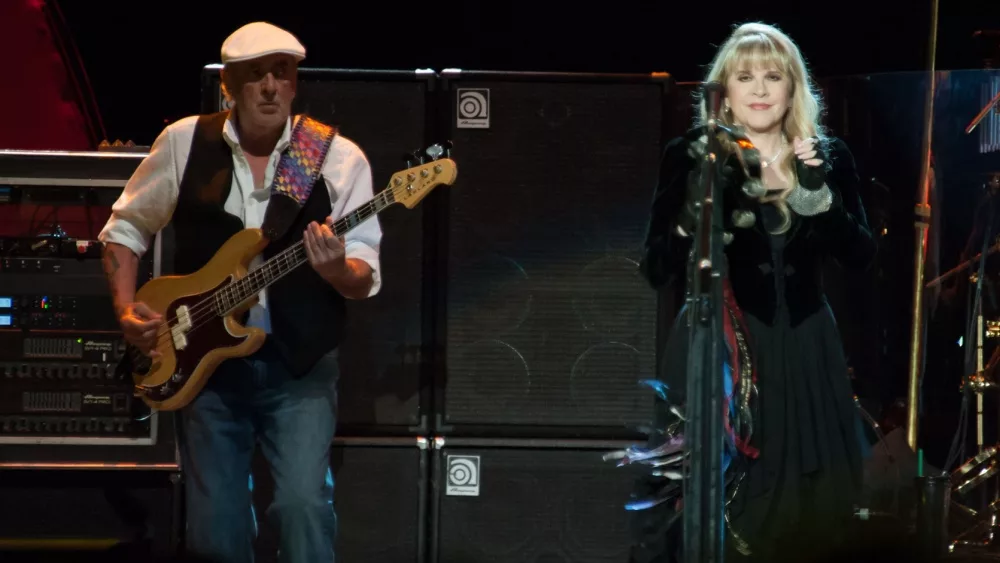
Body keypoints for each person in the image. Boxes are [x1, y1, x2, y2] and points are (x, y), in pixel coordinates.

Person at [98, 22, 382, 563]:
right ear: (228, 84)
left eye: (283, 73)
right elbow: (124, 231)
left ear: (296, 82)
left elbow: (365, 272)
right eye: (256, 75)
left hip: (300, 362)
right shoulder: (183, 142)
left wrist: (335, 271)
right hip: (206, 367)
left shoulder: (337, 157)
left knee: (302, 508)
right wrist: (125, 310)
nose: (272, 86)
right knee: (214, 532)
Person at [624, 22, 875, 563]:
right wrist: (692, 218)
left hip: (808, 353)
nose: (760, 89)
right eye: (745, 77)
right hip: (719, 353)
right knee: (721, 506)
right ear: (725, 90)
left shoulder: (825, 156)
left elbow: (861, 258)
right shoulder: (693, 155)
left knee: (813, 512)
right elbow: (656, 267)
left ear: (793, 88)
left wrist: (818, 196)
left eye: (772, 76)